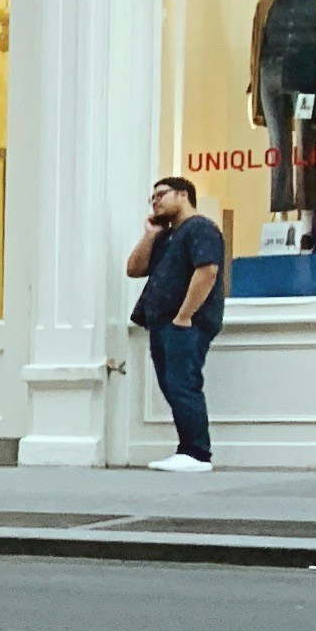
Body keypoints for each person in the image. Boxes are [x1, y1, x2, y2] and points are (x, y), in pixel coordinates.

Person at [125, 173, 227, 471]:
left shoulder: (200, 228)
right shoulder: (167, 235)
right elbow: (134, 269)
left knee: (183, 384)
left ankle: (196, 453)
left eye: (161, 194)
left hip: (187, 323)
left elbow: (207, 271)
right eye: (152, 197)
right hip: (163, 323)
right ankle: (189, 449)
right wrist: (149, 235)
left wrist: (184, 316)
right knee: (173, 385)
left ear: (183, 195)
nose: (155, 201)